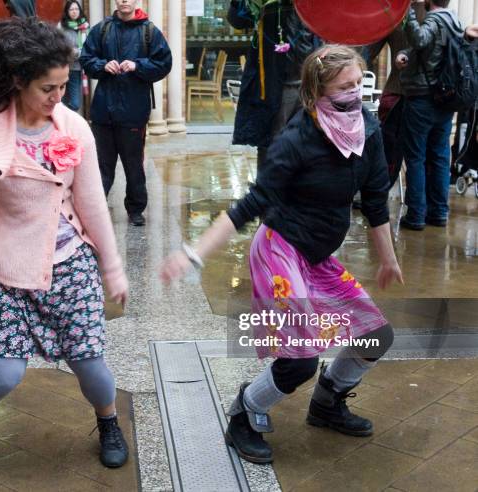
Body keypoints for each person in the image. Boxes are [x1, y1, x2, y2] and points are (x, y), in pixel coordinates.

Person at [161, 45, 403, 464]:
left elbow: (377, 198)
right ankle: (245, 412)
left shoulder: (367, 128)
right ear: (318, 89)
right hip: (280, 252)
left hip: (317, 257)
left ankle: (327, 402)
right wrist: (194, 254)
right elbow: (250, 204)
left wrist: (388, 258)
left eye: (357, 84)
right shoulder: (297, 138)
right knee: (300, 359)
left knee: (376, 336)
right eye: (344, 86)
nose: (354, 93)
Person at [0, 17, 129, 474]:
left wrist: (112, 267)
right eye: (48, 88)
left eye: (64, 84)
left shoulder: (74, 128)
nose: (59, 97)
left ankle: (109, 420)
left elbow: (93, 204)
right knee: (4, 376)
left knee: (91, 366)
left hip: (69, 265)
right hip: (6, 270)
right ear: (17, 81)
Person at [80, 0, 172, 227]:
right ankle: (95, 211)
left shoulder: (149, 31)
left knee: (133, 165)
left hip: (133, 110)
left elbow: (164, 63)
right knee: (101, 166)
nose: (124, 1)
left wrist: (138, 66)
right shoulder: (102, 29)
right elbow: (86, 59)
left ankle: (135, 209)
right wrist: (102, 65)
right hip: (103, 111)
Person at [395, 0, 464, 230]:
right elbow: (426, 49)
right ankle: (439, 213)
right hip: (444, 99)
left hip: (422, 99)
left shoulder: (433, 19)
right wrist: (406, 53)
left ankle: (415, 215)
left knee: (416, 158)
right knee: (440, 157)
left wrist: (407, 11)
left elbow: (420, 39)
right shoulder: (455, 21)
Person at [227, 0, 320, 167]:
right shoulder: (265, 5)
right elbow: (238, 20)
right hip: (274, 80)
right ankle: (268, 188)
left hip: (308, 78)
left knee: (308, 140)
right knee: (273, 139)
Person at [363, 2, 426, 188]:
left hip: (408, 93)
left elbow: (368, 52)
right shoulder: (395, 13)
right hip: (402, 92)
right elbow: (369, 50)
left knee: (395, 150)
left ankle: (381, 193)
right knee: (394, 150)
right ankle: (383, 193)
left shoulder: (400, 13)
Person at [58, 0, 89, 112]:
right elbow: (59, 47)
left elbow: (89, 45)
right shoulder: (62, 27)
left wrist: (78, 53)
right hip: (64, 67)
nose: (74, 12)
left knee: (74, 102)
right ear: (67, 11)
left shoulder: (85, 26)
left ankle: (65, 122)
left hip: (80, 68)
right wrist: (74, 52)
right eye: (71, 9)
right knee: (68, 101)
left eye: (76, 9)